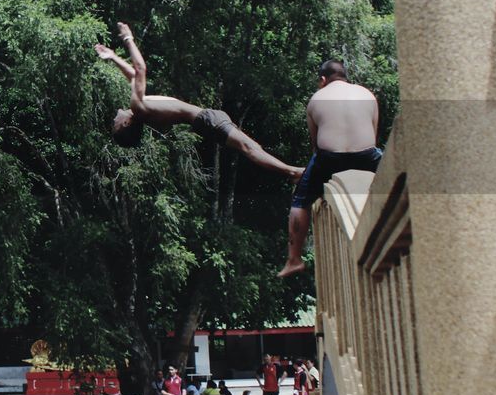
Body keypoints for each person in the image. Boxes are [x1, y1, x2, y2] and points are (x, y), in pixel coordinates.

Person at [96, 24, 303, 180]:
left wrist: (113, 57)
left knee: (251, 147)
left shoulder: (140, 109)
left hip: (206, 120)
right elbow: (140, 69)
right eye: (115, 123)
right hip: (206, 120)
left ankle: (292, 172)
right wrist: (128, 38)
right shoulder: (137, 108)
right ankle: (293, 172)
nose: (114, 116)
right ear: (126, 124)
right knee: (249, 148)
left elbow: (133, 76)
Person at [279, 60, 381, 277]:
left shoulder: (316, 99)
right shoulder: (367, 94)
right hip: (366, 155)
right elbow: (373, 134)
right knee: (383, 159)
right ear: (345, 76)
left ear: (323, 80)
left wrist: (313, 175)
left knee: (300, 202)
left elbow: (315, 145)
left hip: (329, 158)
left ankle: (294, 259)